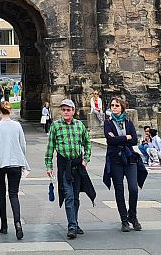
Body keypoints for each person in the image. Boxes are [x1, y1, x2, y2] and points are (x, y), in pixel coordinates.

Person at [45, 99, 93, 240]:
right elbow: (50, 147)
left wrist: (86, 159)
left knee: (76, 196)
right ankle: (72, 226)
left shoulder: (79, 125)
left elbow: (87, 142)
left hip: (78, 165)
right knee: (69, 196)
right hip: (64, 166)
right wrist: (49, 166)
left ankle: (75, 222)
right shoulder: (55, 126)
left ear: (73, 111)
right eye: (63, 110)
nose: (66, 112)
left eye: (68, 110)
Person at [103, 97, 145, 232]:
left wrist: (120, 139)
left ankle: (133, 215)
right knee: (119, 190)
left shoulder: (128, 122)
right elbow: (110, 140)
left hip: (129, 158)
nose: (114, 107)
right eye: (112, 105)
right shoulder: (108, 123)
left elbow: (134, 140)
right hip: (115, 160)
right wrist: (125, 137)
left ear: (122, 107)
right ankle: (124, 220)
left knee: (133, 188)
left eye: (116, 105)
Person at [0, 100, 28, 239]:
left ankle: (4, 225)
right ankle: (18, 223)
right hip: (15, 163)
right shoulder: (17, 126)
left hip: (1, 163)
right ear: (10, 111)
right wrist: (22, 160)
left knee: (1, 193)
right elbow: (22, 144)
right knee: (14, 194)